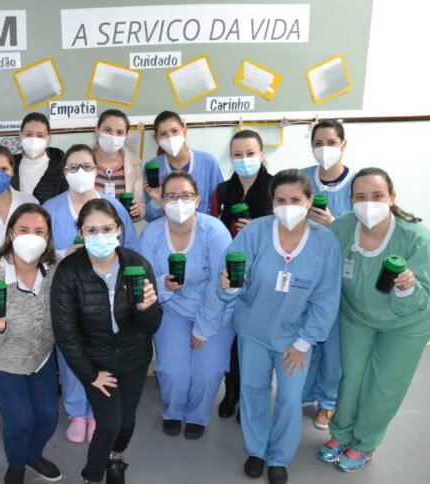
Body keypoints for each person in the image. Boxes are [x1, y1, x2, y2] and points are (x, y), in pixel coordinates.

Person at [217, 169, 342, 484]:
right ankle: (257, 450)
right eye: (280, 200)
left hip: (295, 337)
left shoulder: (325, 243)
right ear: (271, 202)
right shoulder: (255, 233)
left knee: (288, 398)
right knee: (253, 390)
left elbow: (327, 298)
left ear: (309, 201)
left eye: (295, 200)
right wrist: (228, 287)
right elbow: (230, 277)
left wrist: (304, 343)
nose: (288, 206)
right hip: (254, 330)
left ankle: (279, 457)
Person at [317, 168, 430, 473]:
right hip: (358, 314)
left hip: (408, 321)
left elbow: (419, 298)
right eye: (360, 197)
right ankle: (341, 434)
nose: (368, 203)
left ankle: (364, 443)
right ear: (350, 200)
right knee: (352, 375)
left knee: (383, 384)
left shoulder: (417, 237)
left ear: (391, 198)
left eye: (377, 196)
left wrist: (406, 287)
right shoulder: (342, 228)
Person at [52, 199, 162, 484]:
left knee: (127, 421)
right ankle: (91, 475)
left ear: (119, 229)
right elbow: (65, 333)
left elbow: (151, 326)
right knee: (110, 422)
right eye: (91, 230)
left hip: (134, 357)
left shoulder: (137, 265)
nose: (100, 236)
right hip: (96, 361)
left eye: (107, 229)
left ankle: (116, 457)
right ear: (81, 232)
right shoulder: (68, 271)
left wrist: (147, 309)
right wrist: (91, 374)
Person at [42, 145, 139, 443]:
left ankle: (99, 411)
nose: (80, 172)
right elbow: (39, 254)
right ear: (64, 172)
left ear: (96, 169)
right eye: (73, 167)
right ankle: (77, 412)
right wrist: (63, 255)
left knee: (104, 350)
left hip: (108, 294)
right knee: (71, 350)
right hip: (68, 295)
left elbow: (131, 250)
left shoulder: (114, 207)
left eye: (86, 166)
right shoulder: (50, 209)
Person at [0, 204, 62, 484]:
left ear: (48, 237)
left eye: (39, 231)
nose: (31, 237)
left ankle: (32, 455)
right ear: (11, 234)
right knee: (21, 420)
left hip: (40, 357)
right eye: (23, 230)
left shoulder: (56, 268)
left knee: (48, 417)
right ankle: (17, 464)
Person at [139, 171, 234, 439]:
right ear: (161, 201)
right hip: (172, 309)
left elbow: (220, 283)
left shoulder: (214, 231)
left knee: (208, 370)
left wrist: (203, 328)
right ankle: (173, 411)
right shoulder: (151, 233)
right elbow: (145, 280)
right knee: (172, 369)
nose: (178, 201)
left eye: (185, 195)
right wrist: (163, 286)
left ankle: (197, 415)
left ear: (197, 200)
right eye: (171, 196)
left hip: (216, 310)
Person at [209, 129, 274, 419]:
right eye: (237, 154)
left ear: (262, 155)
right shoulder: (223, 190)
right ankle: (231, 390)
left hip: (264, 274)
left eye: (250, 153)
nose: (244, 159)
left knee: (255, 340)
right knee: (232, 338)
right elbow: (213, 227)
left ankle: (251, 397)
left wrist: (258, 230)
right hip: (230, 273)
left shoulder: (275, 188)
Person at [301, 119, 356, 430]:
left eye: (331, 142)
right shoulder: (302, 178)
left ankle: (328, 401)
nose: (325, 149)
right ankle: (305, 391)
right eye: (318, 143)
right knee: (304, 335)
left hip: (339, 273)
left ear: (343, 145)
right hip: (305, 270)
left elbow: (364, 231)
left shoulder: (356, 184)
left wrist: (334, 225)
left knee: (333, 344)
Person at [144, 110, 223, 220]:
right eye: (163, 134)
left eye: (174, 131)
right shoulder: (153, 168)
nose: (170, 137)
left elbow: (220, 202)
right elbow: (149, 216)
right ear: (156, 139)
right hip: (167, 228)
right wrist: (157, 200)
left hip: (203, 227)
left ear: (184, 131)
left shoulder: (208, 162)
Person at [91, 109, 144, 220]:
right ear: (97, 130)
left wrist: (138, 210)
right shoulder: (83, 162)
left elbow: (141, 206)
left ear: (126, 135)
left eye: (119, 132)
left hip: (122, 228)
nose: (113, 136)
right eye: (107, 130)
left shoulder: (135, 164)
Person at [10, 112, 68, 203]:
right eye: (28, 134)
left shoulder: (61, 167)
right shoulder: (10, 165)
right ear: (20, 135)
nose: (34, 139)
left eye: (40, 135)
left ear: (48, 138)